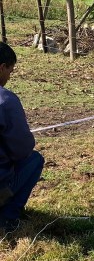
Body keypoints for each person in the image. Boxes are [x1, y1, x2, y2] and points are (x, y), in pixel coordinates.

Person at [0, 42, 45, 231]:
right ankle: (6, 219)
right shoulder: (6, 101)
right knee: (34, 160)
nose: (9, 77)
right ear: (2, 67)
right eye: (10, 71)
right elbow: (22, 149)